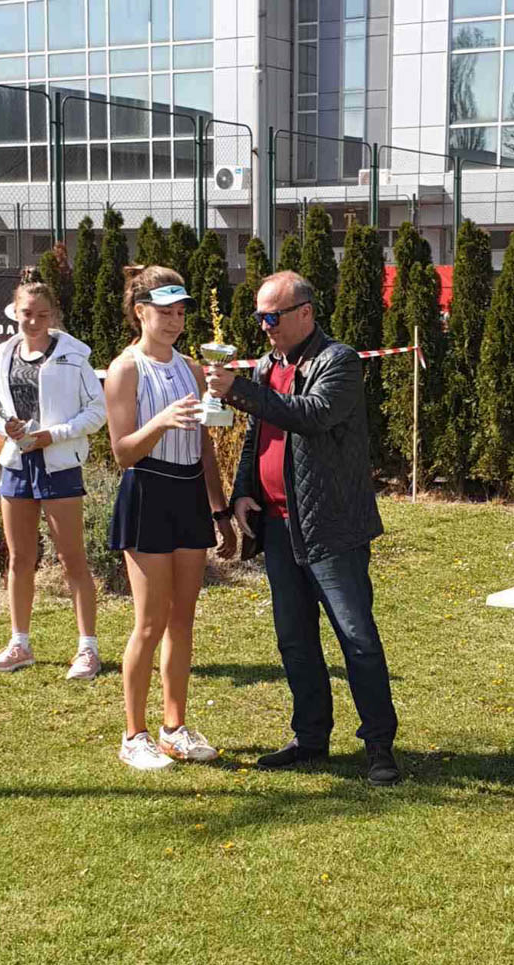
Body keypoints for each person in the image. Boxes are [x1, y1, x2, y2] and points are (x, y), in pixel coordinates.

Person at [206, 270, 401, 786]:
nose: (264, 326)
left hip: (331, 527)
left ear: (305, 313)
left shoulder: (337, 361)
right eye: (259, 317)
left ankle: (379, 745)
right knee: (294, 640)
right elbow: (257, 435)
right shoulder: (269, 364)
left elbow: (310, 414)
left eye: (273, 316)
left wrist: (241, 390)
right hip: (277, 527)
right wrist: (243, 489)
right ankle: (311, 738)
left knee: (356, 637)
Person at [105, 266, 237, 772]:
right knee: (149, 622)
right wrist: (160, 421)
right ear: (141, 312)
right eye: (164, 312)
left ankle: (173, 728)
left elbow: (202, 440)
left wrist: (219, 507)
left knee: (183, 620)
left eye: (180, 312)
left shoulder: (187, 364)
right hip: (147, 492)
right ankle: (133, 734)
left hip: (187, 496)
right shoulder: (125, 369)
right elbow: (121, 453)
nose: (175, 321)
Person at [0, 267, 106, 678]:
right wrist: (7, 428)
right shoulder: (2, 356)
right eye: (25, 313)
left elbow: (97, 412)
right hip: (16, 464)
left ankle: (87, 649)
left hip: (60, 466)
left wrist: (55, 435)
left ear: (53, 316)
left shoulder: (75, 357)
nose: (32, 321)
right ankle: (20, 644)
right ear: (14, 313)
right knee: (19, 558)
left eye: (40, 314)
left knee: (73, 559)